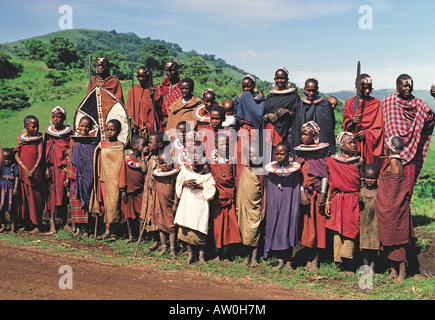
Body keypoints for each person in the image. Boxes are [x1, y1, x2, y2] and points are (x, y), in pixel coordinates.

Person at [382, 74, 434, 200]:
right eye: (405, 85)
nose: (408, 89)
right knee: (389, 187)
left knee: (407, 190)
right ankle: (388, 216)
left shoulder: (419, 104)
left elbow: (431, 119)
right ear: (397, 87)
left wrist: (418, 132)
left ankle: (403, 216)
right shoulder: (388, 102)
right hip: (391, 154)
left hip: (410, 153)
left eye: (410, 86)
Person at [375, 136, 413, 282]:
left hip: (394, 208)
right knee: (389, 238)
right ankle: (393, 271)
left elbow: (395, 187)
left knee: (398, 239)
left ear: (389, 147)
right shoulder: (396, 160)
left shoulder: (394, 161)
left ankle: (402, 272)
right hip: (390, 209)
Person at [325, 132, 363, 273]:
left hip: (352, 199)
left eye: (354, 142)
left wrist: (361, 195)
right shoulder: (332, 161)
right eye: (350, 143)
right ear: (341, 146)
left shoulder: (359, 161)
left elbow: (363, 181)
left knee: (350, 229)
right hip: (337, 199)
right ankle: (339, 262)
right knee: (337, 230)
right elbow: (330, 182)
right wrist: (328, 201)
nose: (354, 145)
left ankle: (350, 262)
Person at [294, 121, 330, 272]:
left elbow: (325, 175)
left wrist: (323, 194)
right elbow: (298, 175)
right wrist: (302, 192)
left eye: (305, 134)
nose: (302, 137)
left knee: (318, 227)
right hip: (305, 195)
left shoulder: (322, 153)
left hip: (317, 195)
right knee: (307, 227)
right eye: (301, 134)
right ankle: (308, 258)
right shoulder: (300, 153)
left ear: (314, 136)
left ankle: (315, 260)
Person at [174, 142, 216, 264]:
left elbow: (211, 184)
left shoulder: (205, 167)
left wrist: (200, 185)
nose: (194, 155)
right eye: (191, 152)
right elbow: (179, 181)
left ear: (203, 153)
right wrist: (185, 183)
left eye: (197, 152)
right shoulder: (185, 167)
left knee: (199, 229)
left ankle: (201, 256)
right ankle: (190, 254)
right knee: (187, 228)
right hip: (187, 203)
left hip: (200, 204)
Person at [263, 141, 301, 271]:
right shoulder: (271, 172)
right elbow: (268, 189)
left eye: (282, 154)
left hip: (289, 204)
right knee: (278, 229)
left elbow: (297, 189)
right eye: (276, 154)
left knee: (290, 228)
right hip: (275, 205)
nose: (278, 156)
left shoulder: (295, 171)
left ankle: (289, 261)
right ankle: (280, 260)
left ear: (289, 154)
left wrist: (295, 206)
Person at [90, 119, 125, 241]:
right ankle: (107, 230)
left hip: (114, 181)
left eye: (112, 130)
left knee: (113, 204)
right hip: (102, 179)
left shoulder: (120, 146)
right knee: (104, 205)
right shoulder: (102, 144)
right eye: (107, 130)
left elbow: (120, 165)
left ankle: (115, 232)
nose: (109, 132)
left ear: (118, 131)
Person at [209, 133, 241, 262]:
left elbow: (233, 178)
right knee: (217, 227)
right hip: (217, 198)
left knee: (229, 226)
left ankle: (226, 254)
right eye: (222, 144)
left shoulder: (232, 159)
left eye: (227, 144)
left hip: (229, 197)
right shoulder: (210, 160)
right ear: (216, 145)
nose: (224, 146)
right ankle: (216, 253)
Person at [260, 67, 300, 161]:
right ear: (274, 79)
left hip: (286, 132)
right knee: (270, 157)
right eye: (277, 78)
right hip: (270, 132)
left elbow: (299, 114)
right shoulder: (270, 96)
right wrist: (268, 116)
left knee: (285, 155)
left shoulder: (293, 96)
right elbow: (263, 116)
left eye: (282, 78)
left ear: (287, 79)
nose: (279, 80)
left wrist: (288, 112)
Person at [343, 74, 384, 166]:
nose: (367, 91)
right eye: (364, 88)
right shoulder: (350, 104)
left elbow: (379, 128)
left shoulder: (376, 103)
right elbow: (346, 128)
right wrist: (352, 122)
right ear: (357, 86)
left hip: (370, 146)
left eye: (370, 88)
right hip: (354, 144)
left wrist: (367, 134)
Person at [67, 116, 98, 237]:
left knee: (87, 202)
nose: (84, 128)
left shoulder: (93, 142)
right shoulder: (74, 140)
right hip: (75, 176)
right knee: (76, 202)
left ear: (90, 128)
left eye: (86, 126)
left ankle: (86, 230)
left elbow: (93, 160)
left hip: (88, 177)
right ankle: (78, 228)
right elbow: (71, 159)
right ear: (77, 126)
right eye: (82, 126)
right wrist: (69, 175)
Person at [139, 131, 170, 252]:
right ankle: (155, 239)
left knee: (158, 213)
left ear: (160, 144)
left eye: (151, 143)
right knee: (149, 214)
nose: (148, 145)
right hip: (148, 191)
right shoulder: (150, 157)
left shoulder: (163, 159)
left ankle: (164, 242)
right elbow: (143, 170)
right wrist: (143, 156)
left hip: (158, 191)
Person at [236, 143, 265, 267]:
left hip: (256, 206)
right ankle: (246, 257)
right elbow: (237, 187)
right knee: (244, 230)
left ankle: (254, 257)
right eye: (249, 155)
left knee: (255, 231)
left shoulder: (260, 170)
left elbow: (265, 190)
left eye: (254, 155)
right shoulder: (241, 169)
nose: (252, 157)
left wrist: (264, 208)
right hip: (243, 205)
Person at [14, 115, 45, 234]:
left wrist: (33, 169)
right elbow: (16, 154)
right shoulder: (20, 138)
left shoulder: (38, 138)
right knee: (24, 199)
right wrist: (23, 167)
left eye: (37, 126)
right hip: (23, 172)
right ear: (25, 127)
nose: (36, 129)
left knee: (35, 199)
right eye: (33, 126)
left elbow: (40, 155)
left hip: (35, 172)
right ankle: (26, 223)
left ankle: (37, 224)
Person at [44, 106, 72, 234]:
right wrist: (47, 167)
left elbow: (70, 149)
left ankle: (66, 222)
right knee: (52, 196)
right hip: (51, 168)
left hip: (63, 168)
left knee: (64, 195)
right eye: (54, 117)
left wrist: (68, 170)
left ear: (64, 118)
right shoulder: (48, 133)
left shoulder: (69, 132)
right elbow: (46, 149)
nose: (56, 119)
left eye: (59, 117)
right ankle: (52, 224)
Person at [292, 78, 336, 155]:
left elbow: (330, 128)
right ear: (304, 89)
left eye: (314, 90)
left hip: (322, 147)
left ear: (317, 89)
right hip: (304, 146)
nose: (311, 93)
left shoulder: (325, 105)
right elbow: (297, 129)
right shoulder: (300, 106)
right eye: (308, 90)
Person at [150, 151, 180, 258]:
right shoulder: (156, 174)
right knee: (160, 225)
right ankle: (164, 247)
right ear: (158, 163)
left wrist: (175, 203)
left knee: (171, 226)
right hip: (159, 204)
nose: (165, 165)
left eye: (167, 162)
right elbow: (153, 186)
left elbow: (177, 190)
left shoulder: (174, 175)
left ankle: (172, 250)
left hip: (169, 204)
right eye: (162, 163)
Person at [119, 135, 147, 243]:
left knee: (141, 215)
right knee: (129, 216)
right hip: (129, 191)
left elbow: (145, 173)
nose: (146, 147)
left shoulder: (145, 159)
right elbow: (123, 174)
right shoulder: (127, 159)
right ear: (135, 146)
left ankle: (141, 237)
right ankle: (131, 236)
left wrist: (144, 156)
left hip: (140, 191)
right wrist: (122, 190)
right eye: (143, 145)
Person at [126, 66, 162, 137]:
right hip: (135, 127)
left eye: (143, 76)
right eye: (138, 76)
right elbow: (129, 108)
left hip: (149, 128)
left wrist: (148, 126)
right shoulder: (133, 90)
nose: (140, 79)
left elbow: (157, 111)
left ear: (148, 76)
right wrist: (131, 120)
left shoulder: (155, 90)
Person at [359, 162, 381, 276]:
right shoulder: (361, 192)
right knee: (364, 247)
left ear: (377, 178)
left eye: (372, 178)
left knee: (374, 247)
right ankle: (365, 267)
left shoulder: (379, 192)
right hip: (363, 224)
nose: (369, 180)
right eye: (367, 177)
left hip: (375, 224)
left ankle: (372, 268)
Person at [0, 148, 19, 233]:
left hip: (11, 190)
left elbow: (17, 177)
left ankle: (13, 226)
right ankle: (3, 224)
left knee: (12, 209)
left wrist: (15, 187)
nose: (7, 161)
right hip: (1, 190)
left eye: (9, 159)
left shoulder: (14, 166)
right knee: (1, 208)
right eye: (5, 159)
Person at [159, 61, 182, 126]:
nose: (169, 73)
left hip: (179, 121)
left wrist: (170, 117)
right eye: (167, 70)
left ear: (177, 71)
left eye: (172, 70)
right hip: (164, 122)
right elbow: (159, 105)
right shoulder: (162, 87)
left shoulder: (182, 87)